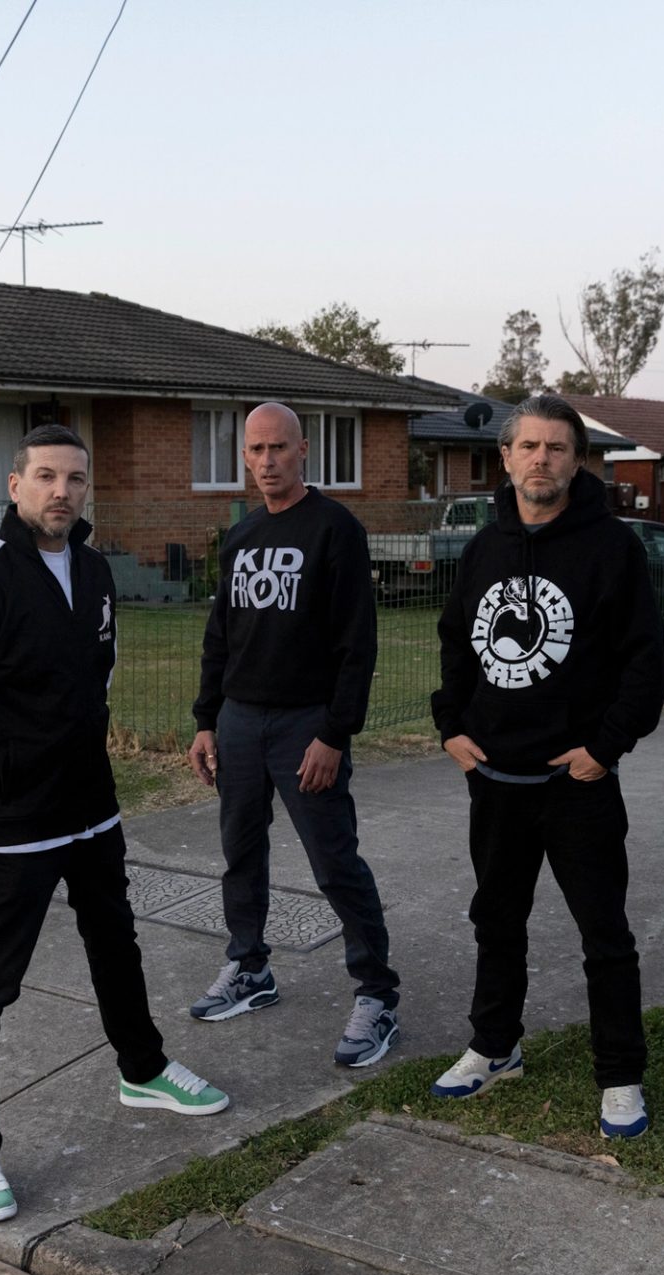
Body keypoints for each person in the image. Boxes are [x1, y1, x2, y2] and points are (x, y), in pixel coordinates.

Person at [0, 423, 230, 1225]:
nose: (62, 491)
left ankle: (143, 1068)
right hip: (13, 820)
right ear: (15, 486)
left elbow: (102, 667)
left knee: (115, 942)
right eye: (46, 476)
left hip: (90, 806)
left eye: (75, 478)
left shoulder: (92, 568)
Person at [427, 393, 664, 1137]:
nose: (542, 459)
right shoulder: (484, 547)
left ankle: (620, 1076)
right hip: (495, 783)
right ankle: (495, 1047)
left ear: (576, 459)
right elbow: (456, 644)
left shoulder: (612, 548)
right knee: (496, 921)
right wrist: (451, 728)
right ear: (505, 458)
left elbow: (647, 668)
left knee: (605, 933)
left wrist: (603, 750)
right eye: (528, 446)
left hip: (577, 786)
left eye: (556, 448)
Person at [186, 402, 401, 1068]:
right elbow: (221, 635)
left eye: (279, 447)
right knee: (240, 855)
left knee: (334, 860)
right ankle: (250, 967)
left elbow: (356, 644)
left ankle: (377, 993)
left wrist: (335, 732)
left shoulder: (335, 528)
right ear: (244, 457)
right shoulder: (242, 536)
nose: (267, 460)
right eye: (255, 450)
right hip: (240, 722)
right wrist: (205, 718)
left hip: (307, 724)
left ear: (304, 450)